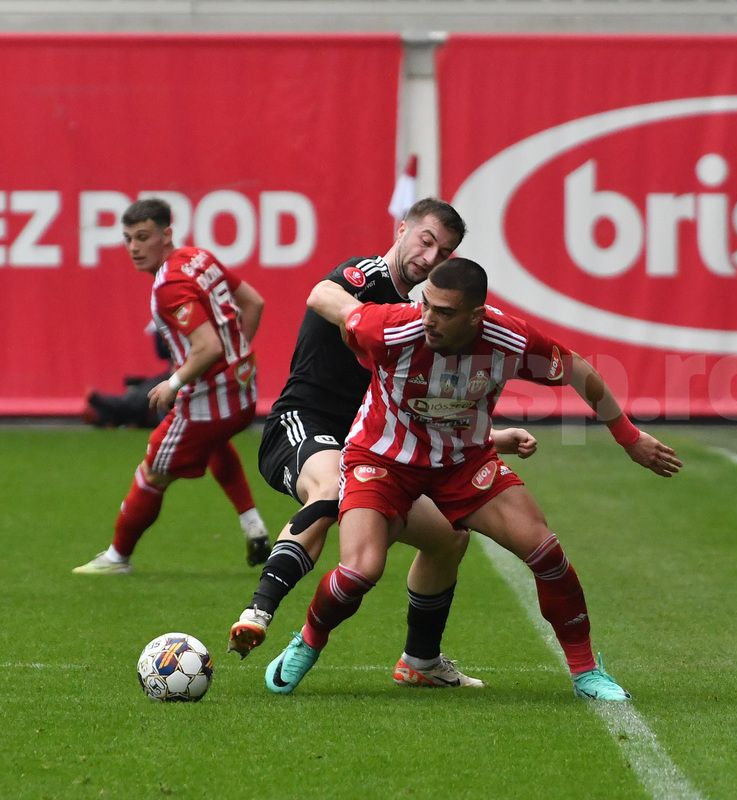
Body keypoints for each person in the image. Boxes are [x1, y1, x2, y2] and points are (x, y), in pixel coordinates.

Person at [264, 257, 682, 701]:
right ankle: (308, 640)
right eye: (427, 305)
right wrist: (339, 292)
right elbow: (336, 307)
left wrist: (628, 437)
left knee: (546, 553)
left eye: (444, 313)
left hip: (462, 461)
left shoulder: (511, 339)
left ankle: (585, 672)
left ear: (476, 316)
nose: (429, 319)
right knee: (359, 570)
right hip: (382, 459)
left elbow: (578, 369)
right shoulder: (391, 326)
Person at [231, 197, 535, 690]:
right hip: (304, 425)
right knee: (331, 489)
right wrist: (367, 324)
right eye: (426, 240)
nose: (432, 256)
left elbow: (417, 408)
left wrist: (490, 437)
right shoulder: (367, 277)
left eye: (445, 251)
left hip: (373, 449)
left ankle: (420, 662)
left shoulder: (426, 314)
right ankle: (259, 610)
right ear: (401, 230)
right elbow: (319, 294)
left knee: (449, 537)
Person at [73, 198, 270, 575]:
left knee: (152, 471)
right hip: (243, 394)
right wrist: (236, 358)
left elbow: (208, 347)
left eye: (143, 237)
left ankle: (117, 558)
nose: (134, 248)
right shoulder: (199, 256)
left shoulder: (169, 285)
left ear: (166, 234)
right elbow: (254, 302)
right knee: (215, 445)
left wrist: (173, 382)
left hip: (206, 402)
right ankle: (254, 527)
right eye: (128, 238)